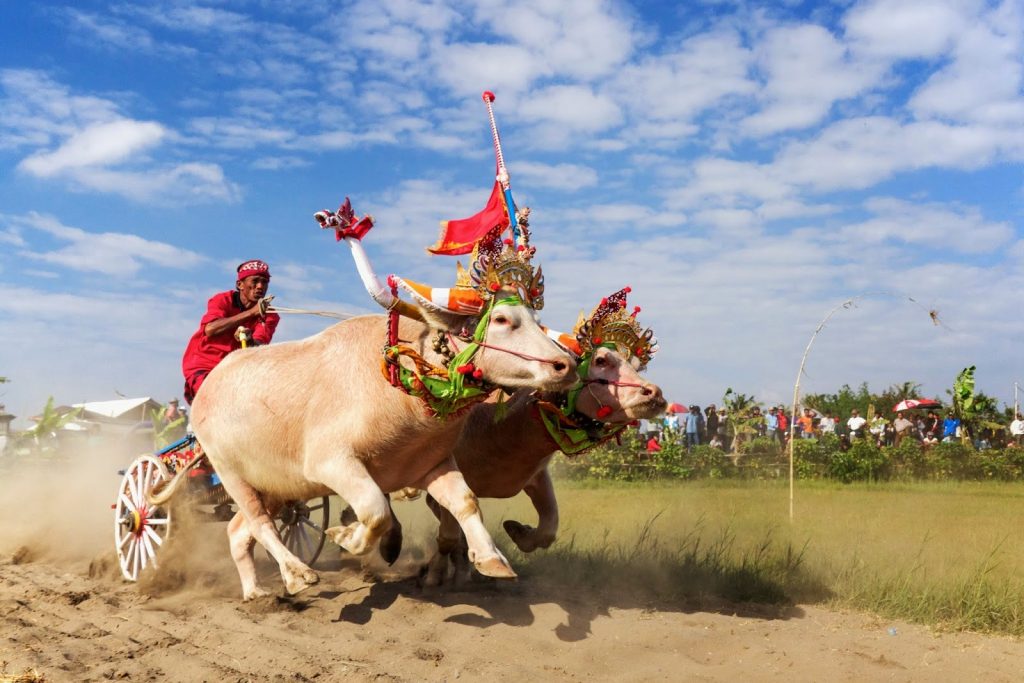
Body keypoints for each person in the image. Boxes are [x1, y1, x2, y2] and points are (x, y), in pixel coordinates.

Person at [181, 259, 280, 404]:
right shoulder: (222, 300)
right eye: (255, 281)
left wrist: (250, 339)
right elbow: (210, 329)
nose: (260, 286)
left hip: (235, 370)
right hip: (204, 365)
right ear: (240, 285)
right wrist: (251, 313)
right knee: (216, 398)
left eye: (264, 282)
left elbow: (259, 347)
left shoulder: (270, 315)